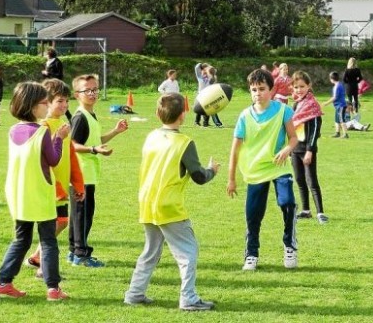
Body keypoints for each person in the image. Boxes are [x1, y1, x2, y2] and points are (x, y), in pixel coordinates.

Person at [124, 93, 219, 311]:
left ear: (158, 114)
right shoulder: (184, 142)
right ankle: (189, 298)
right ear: (183, 116)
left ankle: (134, 293)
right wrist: (211, 171)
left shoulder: (151, 137)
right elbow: (199, 176)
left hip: (147, 201)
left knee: (150, 251)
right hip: (169, 205)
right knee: (188, 252)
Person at [0, 81, 70, 301]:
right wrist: (59, 139)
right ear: (33, 106)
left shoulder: (13, 130)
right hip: (39, 193)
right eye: (45, 103)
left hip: (18, 194)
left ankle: (2, 283)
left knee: (21, 240)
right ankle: (53, 289)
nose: (47, 107)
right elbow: (53, 160)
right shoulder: (42, 132)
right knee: (48, 241)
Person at [227, 69, 299, 271]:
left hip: (278, 166)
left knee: (288, 203)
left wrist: (287, 149)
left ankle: (290, 245)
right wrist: (231, 179)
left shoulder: (284, 111)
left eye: (261, 89)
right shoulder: (244, 116)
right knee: (253, 214)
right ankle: (251, 254)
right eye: (253, 90)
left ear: (271, 90)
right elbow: (234, 150)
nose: (257, 93)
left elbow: (294, 138)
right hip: (255, 170)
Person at [26, 79, 85, 278]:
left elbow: (71, 157)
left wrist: (78, 184)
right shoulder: (42, 127)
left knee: (61, 222)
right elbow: (43, 158)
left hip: (60, 187)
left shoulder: (63, 125)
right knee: (53, 226)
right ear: (47, 102)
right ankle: (44, 269)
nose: (65, 105)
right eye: (60, 101)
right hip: (48, 187)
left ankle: (36, 257)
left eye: (66, 101)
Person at [68, 74, 128, 267]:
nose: (92, 93)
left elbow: (95, 141)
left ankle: (73, 252)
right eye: (87, 90)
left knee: (80, 215)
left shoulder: (90, 115)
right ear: (77, 94)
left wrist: (115, 132)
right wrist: (94, 150)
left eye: (95, 89)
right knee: (82, 216)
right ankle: (81, 254)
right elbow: (73, 145)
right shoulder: (79, 118)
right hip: (81, 175)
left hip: (88, 174)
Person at [290, 71, 327, 224]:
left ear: (309, 86)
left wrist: (310, 151)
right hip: (295, 149)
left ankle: (320, 213)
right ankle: (306, 210)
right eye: (296, 87)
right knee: (299, 180)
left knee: (312, 181)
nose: (299, 90)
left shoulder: (313, 105)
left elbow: (315, 130)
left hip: (307, 150)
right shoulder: (296, 104)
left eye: (302, 86)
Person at [194, 63, 223, 127]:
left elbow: (214, 71)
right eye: (204, 70)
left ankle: (206, 123)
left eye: (206, 70)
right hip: (200, 95)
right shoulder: (200, 77)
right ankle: (197, 122)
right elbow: (196, 68)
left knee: (209, 108)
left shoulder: (210, 78)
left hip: (208, 95)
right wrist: (202, 65)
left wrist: (208, 68)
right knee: (200, 109)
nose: (205, 71)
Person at [322, 71, 348, 139]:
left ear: (331, 79)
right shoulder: (340, 84)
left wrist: (326, 103)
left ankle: (345, 134)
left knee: (342, 120)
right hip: (338, 106)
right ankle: (337, 133)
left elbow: (335, 97)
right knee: (337, 120)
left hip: (341, 106)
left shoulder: (337, 86)